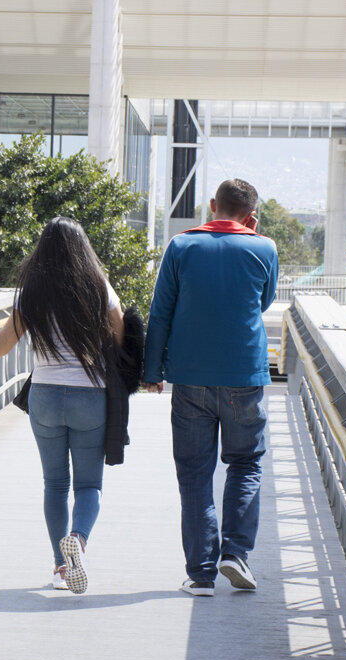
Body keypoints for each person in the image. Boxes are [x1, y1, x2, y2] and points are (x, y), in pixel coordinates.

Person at [0, 216, 125, 595]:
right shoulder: (98, 288)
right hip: (90, 396)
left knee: (55, 483)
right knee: (89, 484)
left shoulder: (31, 293)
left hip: (45, 396)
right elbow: (124, 340)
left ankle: (60, 567)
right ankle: (79, 540)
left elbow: (0, 347)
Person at [141, 178, 279, 597]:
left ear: (213, 205)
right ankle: (235, 554)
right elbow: (263, 302)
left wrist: (151, 370)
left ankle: (200, 574)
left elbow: (160, 311)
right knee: (245, 464)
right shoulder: (265, 248)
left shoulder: (182, 246)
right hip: (245, 377)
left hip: (190, 378)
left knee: (195, 474)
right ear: (251, 217)